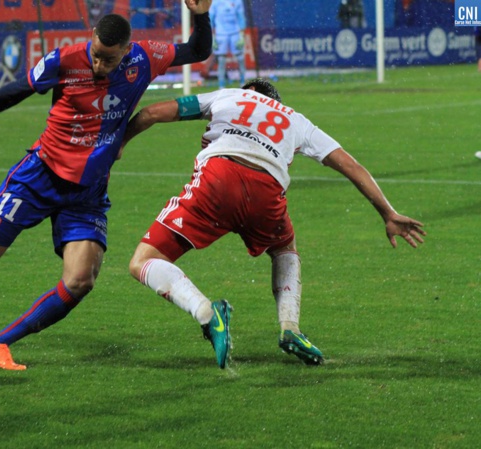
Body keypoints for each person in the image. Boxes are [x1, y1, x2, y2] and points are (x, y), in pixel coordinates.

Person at [0, 3, 213, 371]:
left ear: (127, 51)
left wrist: (201, 15)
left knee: (81, 280)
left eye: (109, 59)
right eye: (95, 55)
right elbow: (17, 90)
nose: (99, 64)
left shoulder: (145, 57)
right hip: (39, 178)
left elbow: (197, 50)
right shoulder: (63, 60)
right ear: (91, 40)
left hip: (87, 192)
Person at [120, 78, 426, 368]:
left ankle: (206, 312)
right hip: (266, 192)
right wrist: (387, 213)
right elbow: (350, 164)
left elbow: (151, 113)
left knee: (143, 261)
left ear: (251, 89)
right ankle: (290, 328)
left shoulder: (230, 95)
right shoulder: (296, 120)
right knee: (284, 249)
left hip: (219, 179)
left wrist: (118, 145)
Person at [209, 0, 246, 89]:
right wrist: (212, 36)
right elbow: (211, 18)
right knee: (221, 60)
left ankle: (243, 82)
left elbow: (241, 16)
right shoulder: (215, 2)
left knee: (240, 58)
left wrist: (242, 35)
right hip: (221, 34)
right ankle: (221, 85)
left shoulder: (237, 1)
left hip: (235, 33)